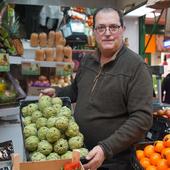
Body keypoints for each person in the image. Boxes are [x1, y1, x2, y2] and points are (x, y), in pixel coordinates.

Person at [41, 7, 153, 170]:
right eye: (101, 27)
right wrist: (57, 93)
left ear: (122, 30)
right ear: (94, 32)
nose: (107, 32)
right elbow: (76, 90)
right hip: (79, 153)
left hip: (114, 161)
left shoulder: (136, 67)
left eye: (113, 27)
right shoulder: (88, 61)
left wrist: (105, 148)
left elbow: (142, 119)